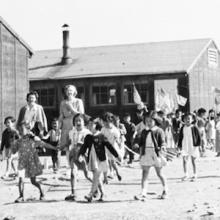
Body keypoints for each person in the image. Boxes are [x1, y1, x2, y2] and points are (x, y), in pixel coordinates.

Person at [13, 121, 56, 203]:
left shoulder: (33, 138)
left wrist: (55, 148)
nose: (20, 131)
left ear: (28, 129)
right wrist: (12, 145)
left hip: (31, 162)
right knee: (21, 179)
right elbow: (14, 151)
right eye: (19, 130)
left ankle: (41, 191)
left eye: (22, 129)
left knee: (33, 181)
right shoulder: (18, 140)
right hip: (22, 162)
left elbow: (44, 144)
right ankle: (21, 196)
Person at [78, 120, 121, 202]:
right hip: (92, 159)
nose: (90, 126)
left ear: (97, 126)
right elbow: (84, 147)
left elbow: (109, 146)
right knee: (97, 178)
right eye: (89, 124)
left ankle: (90, 194)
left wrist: (117, 155)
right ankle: (103, 193)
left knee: (96, 176)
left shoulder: (102, 136)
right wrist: (80, 155)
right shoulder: (88, 137)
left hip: (100, 159)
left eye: (92, 124)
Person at [134, 111, 168, 201]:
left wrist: (163, 146)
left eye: (150, 121)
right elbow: (140, 141)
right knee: (144, 173)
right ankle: (143, 192)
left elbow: (163, 141)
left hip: (156, 153)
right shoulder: (144, 131)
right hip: (146, 153)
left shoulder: (159, 130)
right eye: (146, 121)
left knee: (159, 173)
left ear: (155, 121)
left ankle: (165, 190)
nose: (148, 123)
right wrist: (137, 144)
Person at [64, 113, 92, 201]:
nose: (78, 122)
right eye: (76, 121)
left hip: (83, 155)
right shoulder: (72, 132)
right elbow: (69, 142)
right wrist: (64, 146)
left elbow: (90, 145)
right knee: (73, 173)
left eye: (80, 120)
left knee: (87, 175)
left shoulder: (87, 132)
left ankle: (97, 187)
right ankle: (73, 193)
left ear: (84, 122)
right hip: (74, 154)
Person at [58, 85, 84, 167]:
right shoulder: (63, 102)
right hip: (66, 125)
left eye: (71, 90)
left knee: (76, 144)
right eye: (68, 90)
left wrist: (71, 107)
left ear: (75, 92)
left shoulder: (78, 101)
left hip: (75, 123)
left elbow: (81, 114)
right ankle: (69, 165)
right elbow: (61, 116)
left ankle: (77, 163)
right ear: (65, 92)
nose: (69, 92)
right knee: (67, 146)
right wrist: (58, 128)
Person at [178, 113, 201, 181]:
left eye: (189, 118)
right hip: (185, 145)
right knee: (184, 160)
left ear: (192, 119)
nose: (187, 120)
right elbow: (180, 137)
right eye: (185, 119)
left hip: (193, 145)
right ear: (183, 120)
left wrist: (198, 145)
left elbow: (199, 137)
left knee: (193, 160)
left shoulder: (194, 127)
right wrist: (179, 146)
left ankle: (195, 174)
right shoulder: (182, 128)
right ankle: (186, 174)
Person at [101, 112, 122, 182]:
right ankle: (105, 178)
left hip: (113, 148)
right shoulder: (103, 129)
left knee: (113, 162)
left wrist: (119, 142)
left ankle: (117, 172)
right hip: (105, 148)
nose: (105, 125)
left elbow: (118, 139)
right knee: (105, 163)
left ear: (111, 122)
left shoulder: (114, 130)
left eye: (107, 123)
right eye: (104, 123)